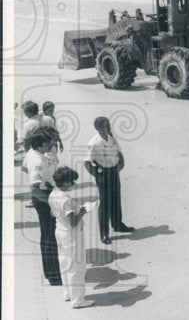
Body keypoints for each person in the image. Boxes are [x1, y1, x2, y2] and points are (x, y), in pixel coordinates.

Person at [85, 116, 135, 244]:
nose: (109, 127)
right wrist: (98, 176)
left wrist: (122, 163)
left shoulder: (111, 138)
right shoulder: (94, 143)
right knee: (105, 204)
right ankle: (104, 233)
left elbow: (119, 152)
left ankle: (118, 224)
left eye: (108, 125)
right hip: (104, 174)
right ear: (98, 128)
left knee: (116, 199)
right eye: (106, 125)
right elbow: (87, 163)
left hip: (114, 171)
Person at [49, 166, 94, 308]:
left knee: (64, 262)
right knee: (76, 265)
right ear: (65, 182)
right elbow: (73, 222)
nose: (74, 184)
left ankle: (68, 292)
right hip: (71, 234)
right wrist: (84, 210)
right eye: (72, 181)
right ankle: (78, 300)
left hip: (60, 231)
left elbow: (53, 213)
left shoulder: (53, 194)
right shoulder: (66, 200)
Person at [23, 128, 62, 284]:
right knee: (50, 237)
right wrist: (51, 202)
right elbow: (35, 188)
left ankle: (50, 272)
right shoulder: (38, 161)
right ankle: (54, 275)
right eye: (47, 144)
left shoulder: (32, 154)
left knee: (47, 236)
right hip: (45, 200)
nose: (49, 146)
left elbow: (25, 168)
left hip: (45, 196)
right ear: (39, 145)